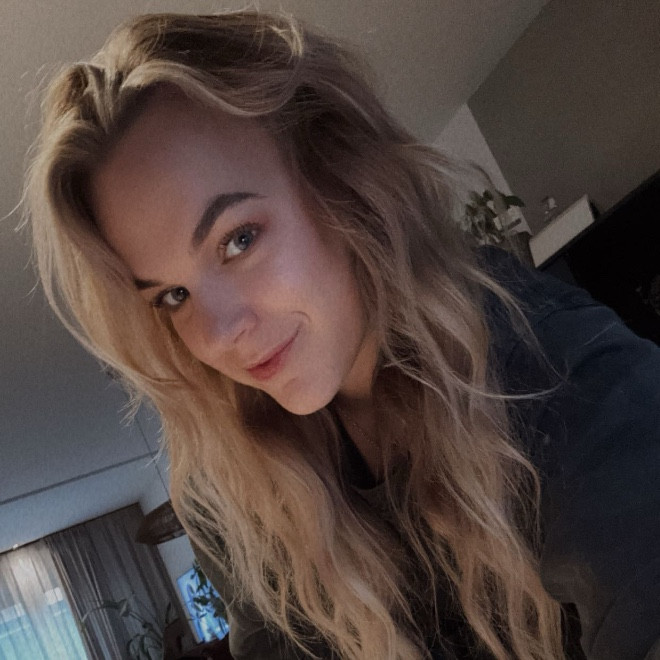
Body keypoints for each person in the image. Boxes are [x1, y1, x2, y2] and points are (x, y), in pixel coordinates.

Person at [24, 11, 660, 660]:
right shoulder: (234, 489)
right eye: (173, 296)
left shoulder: (550, 371)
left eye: (238, 239)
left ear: (338, 180)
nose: (220, 334)